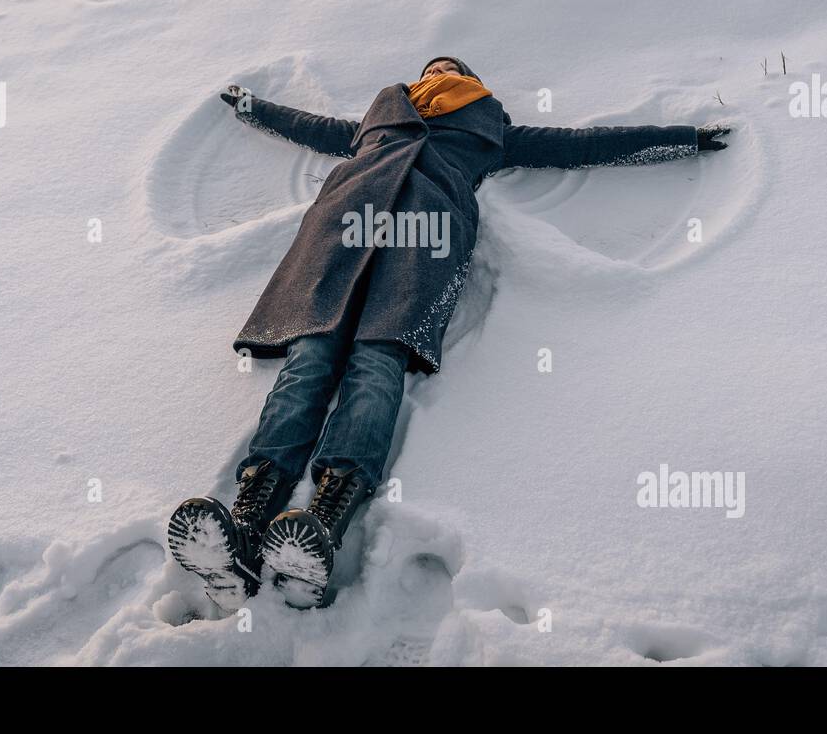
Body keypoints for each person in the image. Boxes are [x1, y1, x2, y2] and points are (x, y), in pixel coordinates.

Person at [168, 56, 730, 609]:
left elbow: (581, 145)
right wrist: (251, 108)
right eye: (434, 69)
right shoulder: (383, 112)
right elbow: (313, 128)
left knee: (377, 361)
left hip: (425, 243)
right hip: (343, 231)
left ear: (473, 82)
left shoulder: (491, 129)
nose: (441, 75)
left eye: (452, 70)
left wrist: (685, 139)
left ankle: (323, 518)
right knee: (310, 357)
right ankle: (246, 521)